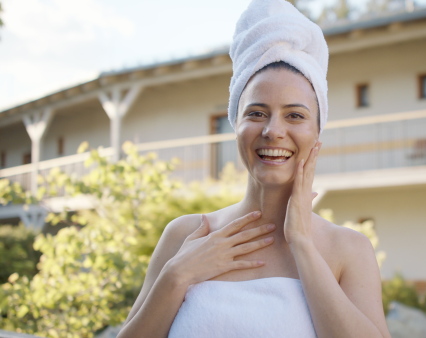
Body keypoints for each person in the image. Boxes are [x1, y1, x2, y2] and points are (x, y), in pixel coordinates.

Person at [118, 0, 390, 337]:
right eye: (257, 113)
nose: (273, 130)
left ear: (317, 133)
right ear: (236, 125)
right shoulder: (185, 236)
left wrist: (303, 244)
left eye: (295, 115)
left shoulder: (348, 249)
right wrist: (178, 276)